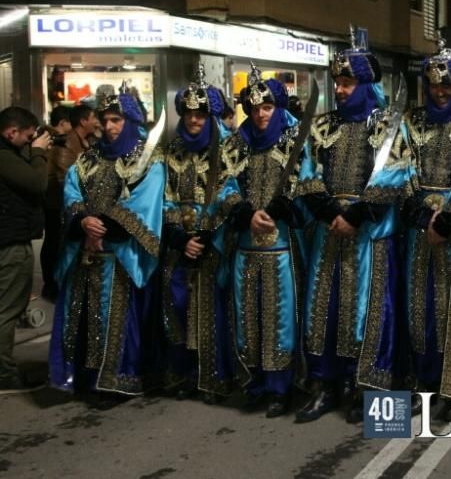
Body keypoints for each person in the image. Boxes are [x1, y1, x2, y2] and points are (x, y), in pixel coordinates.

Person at [362, 41, 451, 419]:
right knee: (420, 308)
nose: (439, 92)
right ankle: (424, 383)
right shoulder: (414, 121)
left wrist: (447, 220)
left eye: (446, 85)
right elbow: (399, 168)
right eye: (433, 85)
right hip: (421, 232)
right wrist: (422, 217)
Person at [296, 43, 398, 424]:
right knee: (323, 308)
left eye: (347, 82)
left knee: (365, 311)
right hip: (328, 232)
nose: (339, 89)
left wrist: (357, 215)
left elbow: (395, 174)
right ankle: (324, 385)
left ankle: (365, 388)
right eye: (337, 82)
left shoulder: (387, 125)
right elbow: (306, 172)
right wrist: (326, 211)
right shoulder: (323, 126)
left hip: (367, 235)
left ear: (366, 83)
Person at [49, 84, 166, 406]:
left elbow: (147, 202)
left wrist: (108, 226)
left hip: (119, 257)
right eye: (106, 120)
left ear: (129, 120)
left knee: (116, 320)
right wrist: (82, 220)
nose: (110, 127)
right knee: (83, 317)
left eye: (116, 119)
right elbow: (72, 193)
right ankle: (83, 377)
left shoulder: (148, 158)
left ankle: (114, 381)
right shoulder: (88, 159)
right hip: (86, 254)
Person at [222, 63, 323, 418]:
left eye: (267, 108)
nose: (261, 114)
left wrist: (283, 206)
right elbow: (225, 186)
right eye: (255, 108)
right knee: (248, 314)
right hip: (247, 247)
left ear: (277, 108)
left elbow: (307, 181)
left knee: (280, 316)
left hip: (283, 248)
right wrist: (247, 213)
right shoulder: (236, 143)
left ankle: (281, 387)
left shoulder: (295, 139)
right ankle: (255, 381)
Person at [160, 67, 239, 402]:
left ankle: (215, 377)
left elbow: (231, 191)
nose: (194, 120)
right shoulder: (171, 152)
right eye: (189, 113)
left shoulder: (228, 150)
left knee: (211, 313)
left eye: (201, 113)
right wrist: (179, 235)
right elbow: (165, 195)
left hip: (214, 244)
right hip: (180, 245)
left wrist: (208, 235)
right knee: (178, 308)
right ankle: (186, 373)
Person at [0, 107, 50, 392]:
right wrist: (39, 152)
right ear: (11, 132)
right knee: (8, 309)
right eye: (28, 137)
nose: (30, 142)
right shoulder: (5, 156)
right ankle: (3, 374)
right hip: (9, 243)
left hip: (9, 239)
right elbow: (37, 183)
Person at [40, 106, 73, 301]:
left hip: (51, 198)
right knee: (53, 241)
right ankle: (51, 284)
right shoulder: (53, 141)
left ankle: (51, 283)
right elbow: (56, 170)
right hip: (52, 199)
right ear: (62, 123)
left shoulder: (48, 139)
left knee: (52, 240)